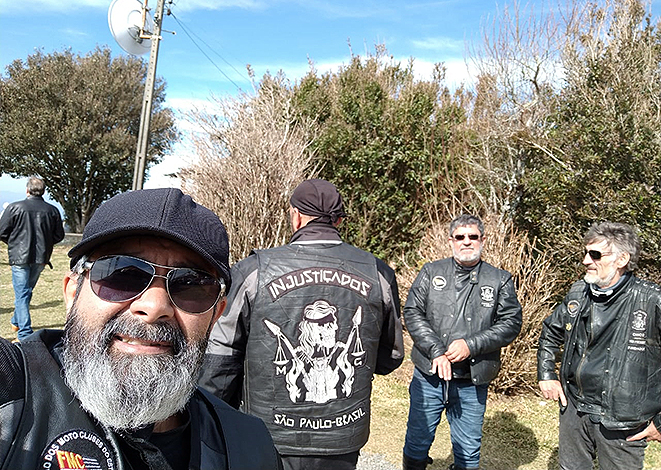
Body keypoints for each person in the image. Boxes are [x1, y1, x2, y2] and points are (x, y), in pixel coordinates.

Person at [0, 188, 281, 470]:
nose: (155, 306)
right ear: (73, 293)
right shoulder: (11, 392)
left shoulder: (249, 446)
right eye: (122, 274)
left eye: (190, 284)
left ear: (216, 315)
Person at [200, 178, 405, 470]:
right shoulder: (378, 273)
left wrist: (212, 423)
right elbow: (390, 357)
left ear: (295, 216)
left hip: (267, 435)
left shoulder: (254, 272)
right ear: (339, 221)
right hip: (342, 438)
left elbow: (220, 361)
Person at [537, 221, 661, 470]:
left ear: (622, 259)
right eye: (585, 253)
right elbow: (550, 331)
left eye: (595, 254)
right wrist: (546, 374)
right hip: (574, 409)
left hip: (623, 420)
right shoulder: (578, 293)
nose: (586, 260)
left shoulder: (651, 300)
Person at [402, 214, 522, 470]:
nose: (466, 242)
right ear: (451, 241)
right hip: (429, 376)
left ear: (483, 240)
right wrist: (436, 351)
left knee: (468, 450)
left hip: (471, 380)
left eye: (472, 236)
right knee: (417, 441)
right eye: (460, 237)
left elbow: (511, 323)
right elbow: (412, 312)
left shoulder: (499, 279)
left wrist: (471, 345)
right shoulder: (431, 272)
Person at [0, 177, 65, 341]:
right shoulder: (52, 210)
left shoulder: (15, 207)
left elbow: (2, 231)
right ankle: (16, 321)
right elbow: (59, 235)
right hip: (41, 257)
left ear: (27, 190)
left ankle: (24, 333)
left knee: (23, 293)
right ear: (43, 191)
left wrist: (14, 243)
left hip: (19, 257)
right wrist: (46, 243)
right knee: (25, 291)